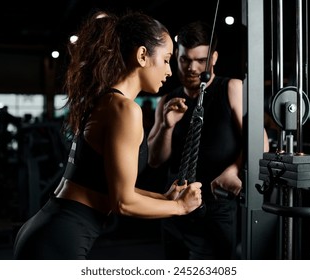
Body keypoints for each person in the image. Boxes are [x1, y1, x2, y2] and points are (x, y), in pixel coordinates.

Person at [13, 10, 202, 260]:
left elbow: (112, 187)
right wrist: (179, 207)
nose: (169, 71)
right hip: (59, 239)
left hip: (51, 229)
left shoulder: (108, 101)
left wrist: (164, 198)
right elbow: (123, 202)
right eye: (167, 59)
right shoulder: (125, 110)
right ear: (142, 55)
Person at [147, 20, 269, 259]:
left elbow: (259, 142)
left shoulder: (232, 88)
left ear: (213, 58)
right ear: (177, 57)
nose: (192, 68)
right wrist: (166, 126)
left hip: (217, 205)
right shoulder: (166, 101)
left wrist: (233, 170)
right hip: (174, 204)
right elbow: (154, 160)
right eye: (185, 59)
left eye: (201, 60)